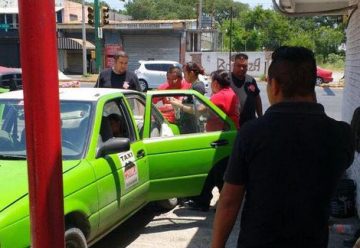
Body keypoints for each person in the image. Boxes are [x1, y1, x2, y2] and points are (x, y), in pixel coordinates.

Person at [212, 46, 354, 248]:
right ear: (312, 84)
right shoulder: (341, 134)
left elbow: (229, 200)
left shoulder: (252, 134)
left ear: (274, 85)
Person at [180, 70, 240, 211]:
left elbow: (199, 110)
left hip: (222, 138)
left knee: (216, 172)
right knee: (216, 172)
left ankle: (213, 202)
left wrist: (180, 105)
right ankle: (204, 200)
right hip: (226, 137)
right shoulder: (230, 93)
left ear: (215, 83)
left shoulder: (220, 96)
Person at [231, 53, 262, 126]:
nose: (241, 68)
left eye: (244, 66)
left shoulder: (251, 80)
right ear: (234, 65)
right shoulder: (227, 79)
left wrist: (260, 117)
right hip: (234, 125)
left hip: (251, 123)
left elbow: (257, 98)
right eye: (239, 66)